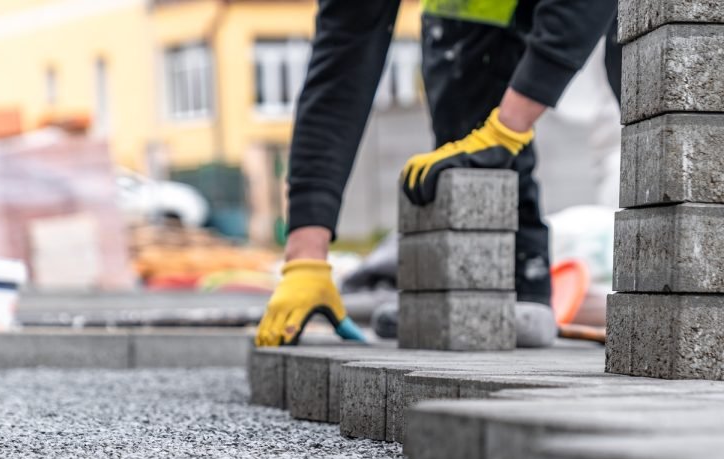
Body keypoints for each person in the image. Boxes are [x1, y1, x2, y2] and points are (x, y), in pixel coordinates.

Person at [255, 0, 620, 348]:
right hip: (472, 17)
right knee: (472, 160)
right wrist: (305, 258)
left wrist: (507, 128)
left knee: (644, 53)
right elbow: (342, 61)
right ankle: (514, 282)